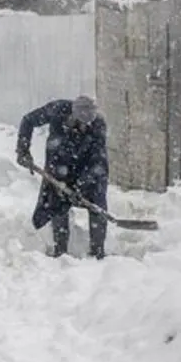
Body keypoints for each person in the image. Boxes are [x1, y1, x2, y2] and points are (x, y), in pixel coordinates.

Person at [16, 96, 109, 259]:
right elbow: (28, 120)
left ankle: (97, 252)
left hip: (86, 171)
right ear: (73, 114)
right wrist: (23, 150)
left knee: (97, 205)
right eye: (80, 123)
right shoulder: (57, 110)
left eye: (87, 125)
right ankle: (60, 252)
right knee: (57, 203)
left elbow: (98, 163)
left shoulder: (98, 125)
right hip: (58, 168)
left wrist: (80, 187)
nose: (83, 127)